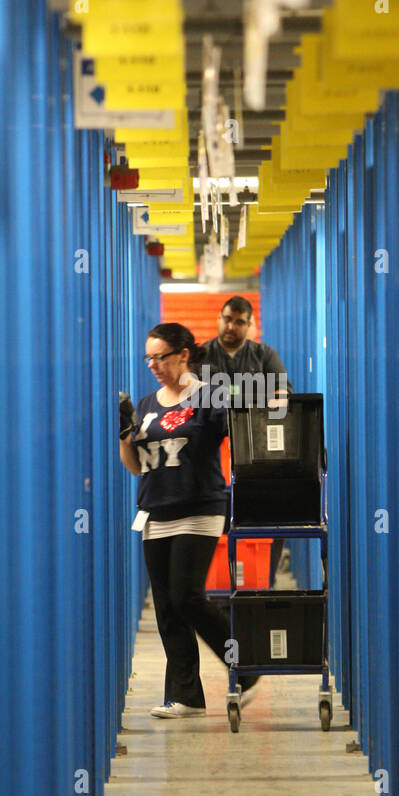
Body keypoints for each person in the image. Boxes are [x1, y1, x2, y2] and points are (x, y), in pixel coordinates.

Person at [118, 322, 261, 718]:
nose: (153, 365)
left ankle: (244, 665)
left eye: (160, 356)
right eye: (149, 358)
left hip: (198, 510)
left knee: (187, 596)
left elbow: (238, 429)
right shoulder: (146, 405)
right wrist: (124, 434)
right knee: (166, 607)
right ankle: (186, 695)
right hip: (154, 512)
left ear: (183, 354)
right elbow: (135, 468)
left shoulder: (208, 397)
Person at [201, 295, 290, 587]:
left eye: (240, 322)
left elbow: (283, 398)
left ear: (249, 325)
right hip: (211, 467)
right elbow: (190, 404)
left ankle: (261, 584)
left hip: (256, 463)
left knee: (265, 525)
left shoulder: (264, 356)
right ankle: (218, 590)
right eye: (227, 319)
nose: (232, 326)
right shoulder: (201, 357)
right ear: (219, 318)